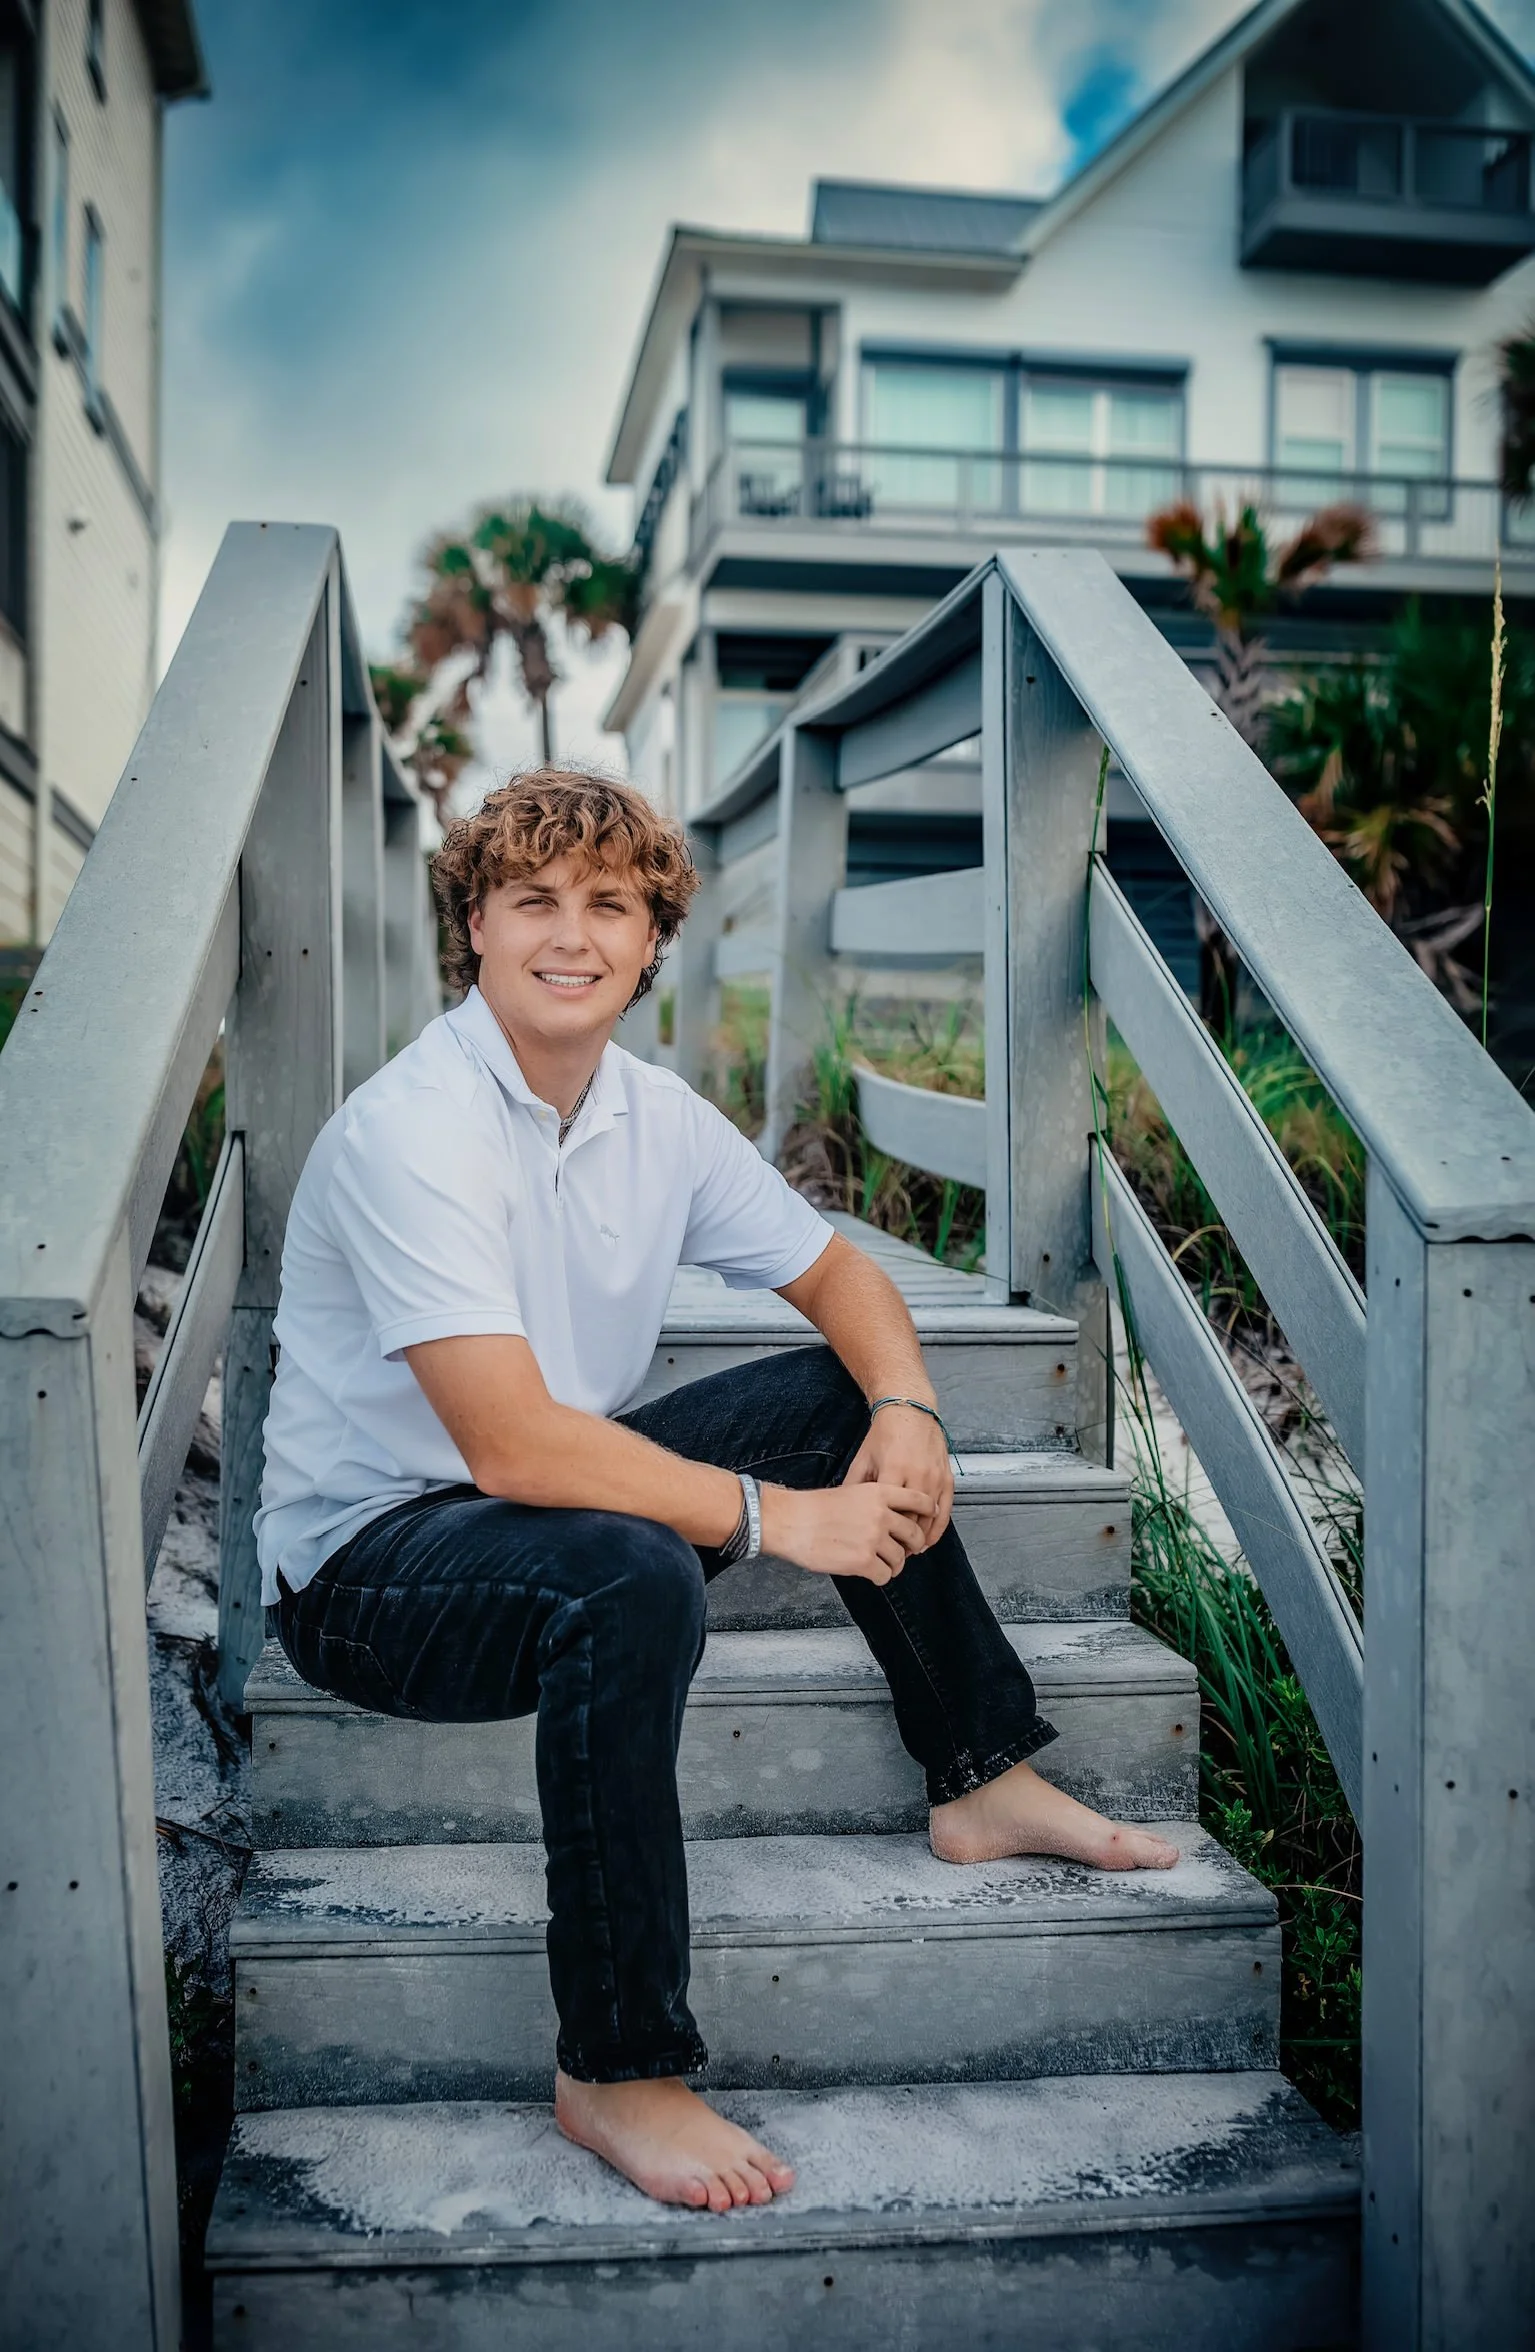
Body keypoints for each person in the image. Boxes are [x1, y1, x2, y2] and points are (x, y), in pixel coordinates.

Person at [255, 768, 1177, 2218]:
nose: (572, 935)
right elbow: (508, 1446)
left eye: (607, 906)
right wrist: (767, 1520)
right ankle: (615, 2065)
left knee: (829, 1397)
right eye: (533, 903)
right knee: (627, 1571)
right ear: (475, 932)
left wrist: (908, 1401)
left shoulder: (650, 1113)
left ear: (647, 939)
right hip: (373, 1572)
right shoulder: (411, 1130)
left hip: (544, 1504)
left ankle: (979, 1775)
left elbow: (841, 1276)